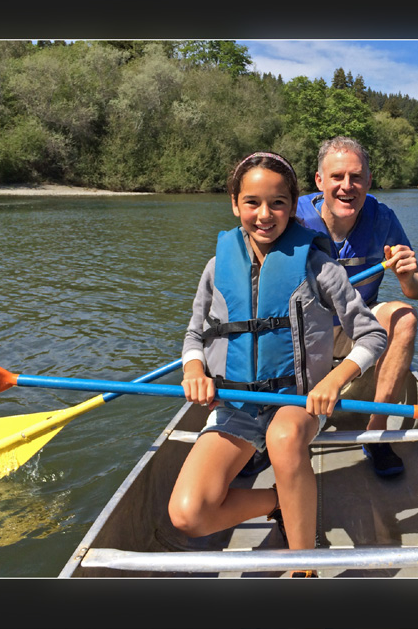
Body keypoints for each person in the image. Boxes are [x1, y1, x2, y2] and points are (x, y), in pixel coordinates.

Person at [167, 151, 387, 578]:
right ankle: (280, 503)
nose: (264, 215)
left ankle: (303, 567)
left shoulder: (319, 268)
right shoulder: (216, 268)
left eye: (278, 203)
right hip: (236, 406)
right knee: (188, 515)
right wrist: (193, 370)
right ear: (235, 203)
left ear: (293, 204)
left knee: (285, 437)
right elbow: (196, 335)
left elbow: (372, 334)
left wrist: (337, 379)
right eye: (252, 202)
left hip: (299, 403)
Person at [296, 137, 418, 478]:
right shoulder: (293, 218)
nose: (347, 186)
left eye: (356, 177)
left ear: (369, 181)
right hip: (302, 328)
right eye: (337, 176)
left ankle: (377, 432)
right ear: (319, 181)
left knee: (405, 317)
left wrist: (408, 274)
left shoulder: (382, 218)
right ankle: (263, 427)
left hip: (358, 324)